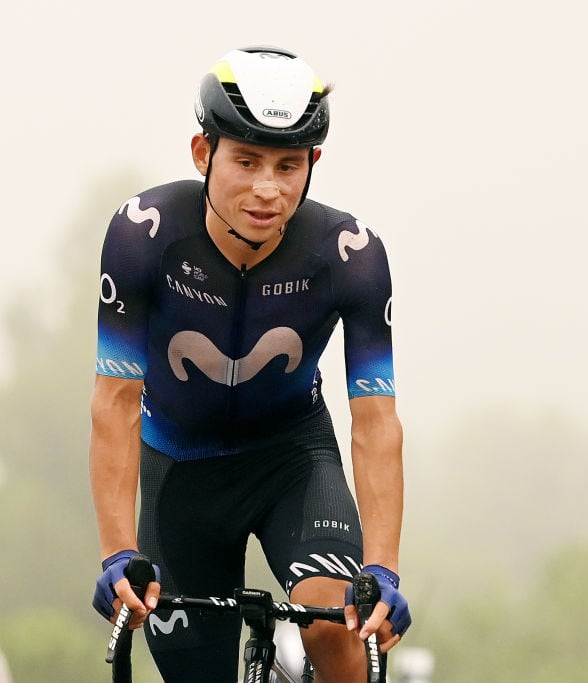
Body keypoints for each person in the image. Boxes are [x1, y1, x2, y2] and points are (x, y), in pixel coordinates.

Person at [89, 46, 409, 681]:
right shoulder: (143, 234)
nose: (268, 189)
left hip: (292, 462)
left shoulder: (351, 255)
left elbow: (375, 420)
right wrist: (116, 552)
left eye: (289, 166)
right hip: (178, 471)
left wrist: (384, 566)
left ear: (313, 164)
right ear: (202, 154)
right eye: (246, 161)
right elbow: (115, 404)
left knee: (336, 628)